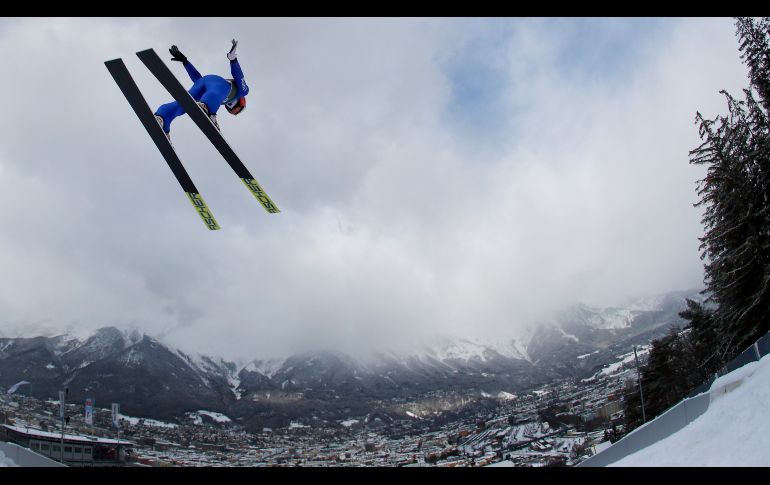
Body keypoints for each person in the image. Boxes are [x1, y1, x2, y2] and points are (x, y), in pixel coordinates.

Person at [154, 39, 248, 140]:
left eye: (236, 113)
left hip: (203, 85)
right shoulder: (240, 91)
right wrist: (233, 60)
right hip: (218, 85)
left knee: (183, 105)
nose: (235, 112)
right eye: (239, 110)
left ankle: (162, 117)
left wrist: (185, 62)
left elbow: (198, 80)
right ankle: (206, 108)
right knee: (235, 92)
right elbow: (239, 76)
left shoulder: (220, 100)